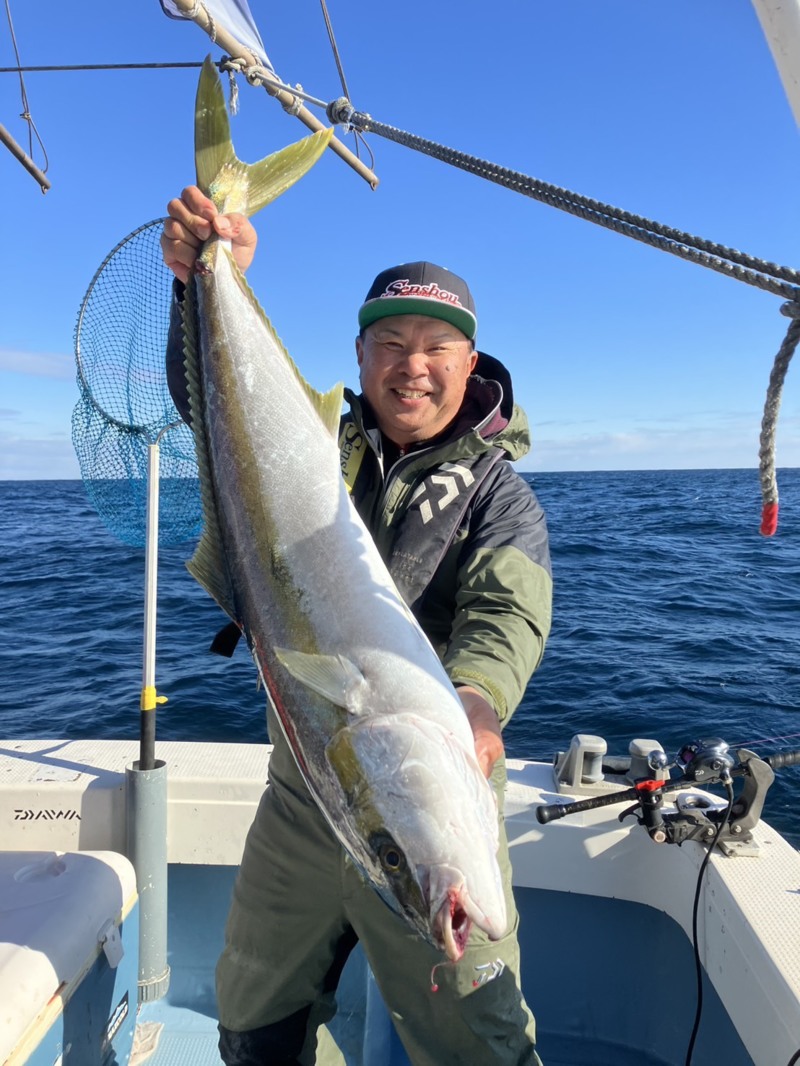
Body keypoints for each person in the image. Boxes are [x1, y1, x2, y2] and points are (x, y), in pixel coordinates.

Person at [162, 187, 553, 1066]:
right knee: (252, 1012)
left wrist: (479, 696)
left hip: (425, 784)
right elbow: (216, 413)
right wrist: (202, 282)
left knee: (478, 1034)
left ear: (470, 362)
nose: (413, 366)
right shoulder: (313, 449)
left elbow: (507, 611)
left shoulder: (499, 498)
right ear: (360, 356)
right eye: (391, 345)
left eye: (436, 348)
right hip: (304, 792)